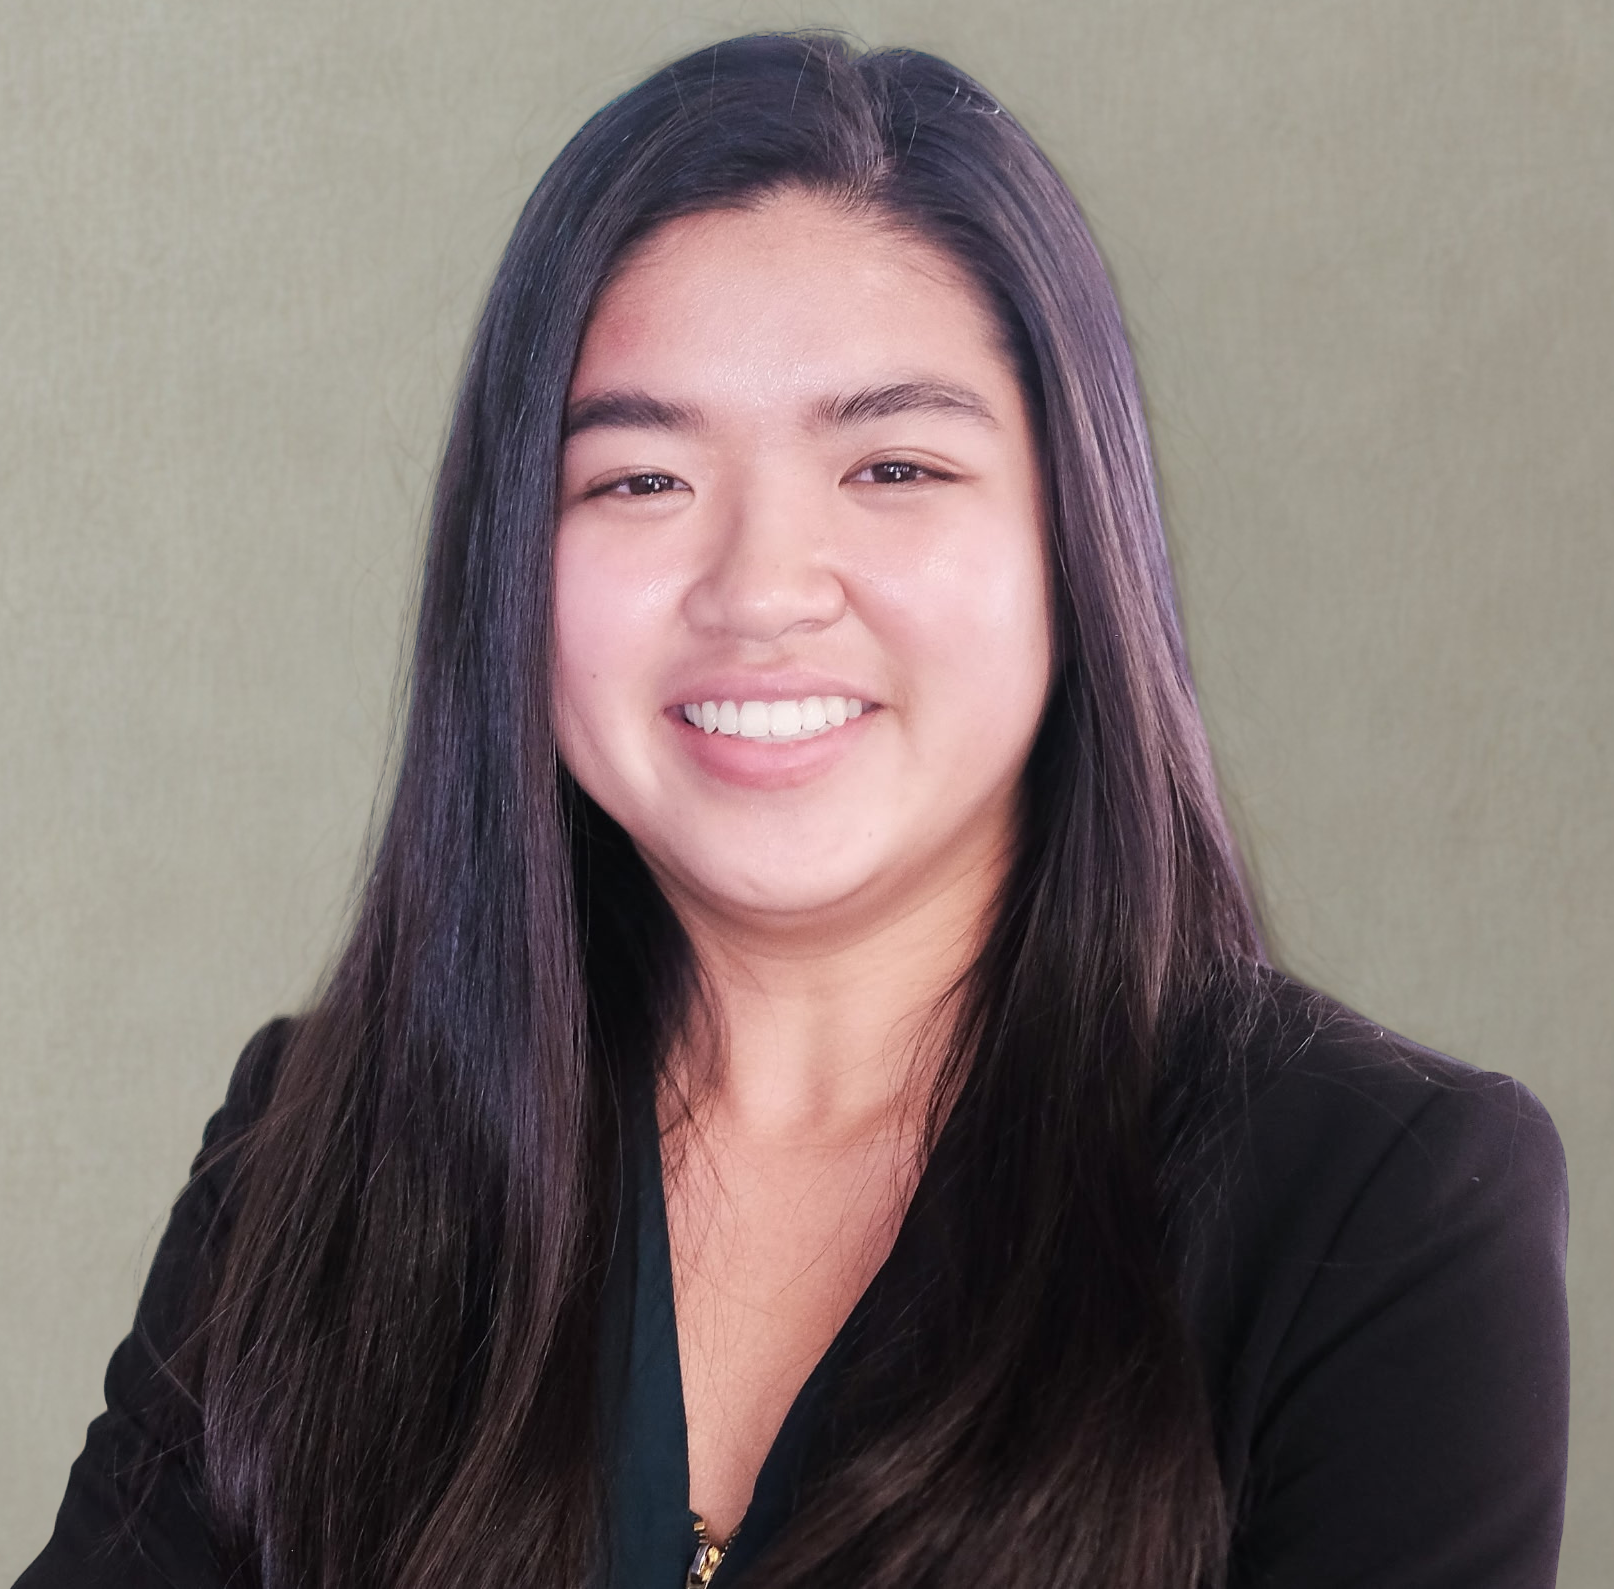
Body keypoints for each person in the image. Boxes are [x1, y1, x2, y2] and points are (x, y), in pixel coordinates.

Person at [18, 31, 1569, 1589]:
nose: (759, 592)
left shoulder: (1376, 1205)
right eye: (638, 480)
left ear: (1073, 541)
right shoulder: (321, 1154)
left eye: (892, 468)